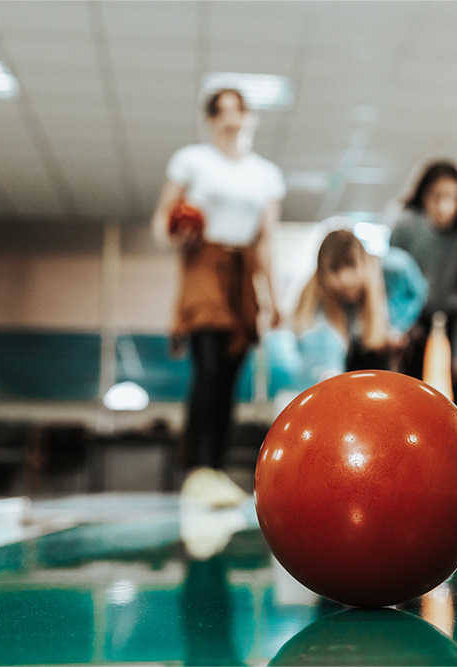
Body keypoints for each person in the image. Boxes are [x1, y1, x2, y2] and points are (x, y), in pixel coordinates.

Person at [151, 88, 285, 507]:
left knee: (230, 375)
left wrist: (273, 296)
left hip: (242, 272)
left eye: (239, 111)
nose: (231, 120)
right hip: (203, 264)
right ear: (210, 121)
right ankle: (197, 469)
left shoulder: (266, 175)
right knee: (207, 367)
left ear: (250, 119)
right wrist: (175, 237)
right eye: (221, 113)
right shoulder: (192, 161)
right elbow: (161, 220)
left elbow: (266, 240)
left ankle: (217, 469)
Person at [389, 160, 457, 418]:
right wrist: (400, 324)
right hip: (413, 310)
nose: (444, 207)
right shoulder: (406, 226)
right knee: (409, 383)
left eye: (452, 198)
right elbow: (393, 282)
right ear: (424, 197)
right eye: (436, 197)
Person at [291, 228, 427, 378]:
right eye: (335, 270)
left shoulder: (393, 269)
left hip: (379, 357)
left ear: (364, 261)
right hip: (346, 361)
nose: (345, 278)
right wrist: (328, 372)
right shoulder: (315, 298)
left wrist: (399, 326)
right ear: (323, 275)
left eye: (350, 264)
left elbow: (418, 291)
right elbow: (322, 344)